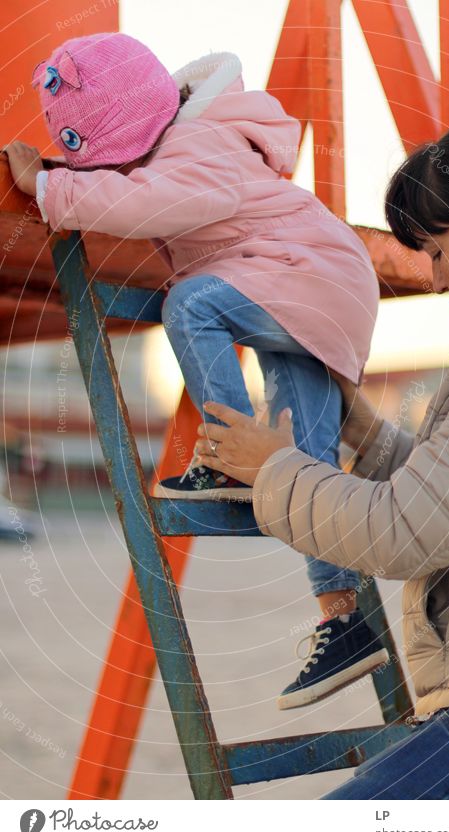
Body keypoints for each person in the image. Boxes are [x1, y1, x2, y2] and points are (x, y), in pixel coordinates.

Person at [3, 32, 389, 710]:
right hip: (311, 287)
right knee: (308, 470)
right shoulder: (184, 145)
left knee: (192, 304)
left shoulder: (196, 143)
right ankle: (344, 620)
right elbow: (142, 191)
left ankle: (226, 457)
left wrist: (49, 184)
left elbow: (151, 203)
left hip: (306, 278)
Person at [192, 115, 449, 799]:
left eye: (436, 251)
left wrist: (272, 468)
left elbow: (403, 531)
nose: (435, 280)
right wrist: (362, 429)